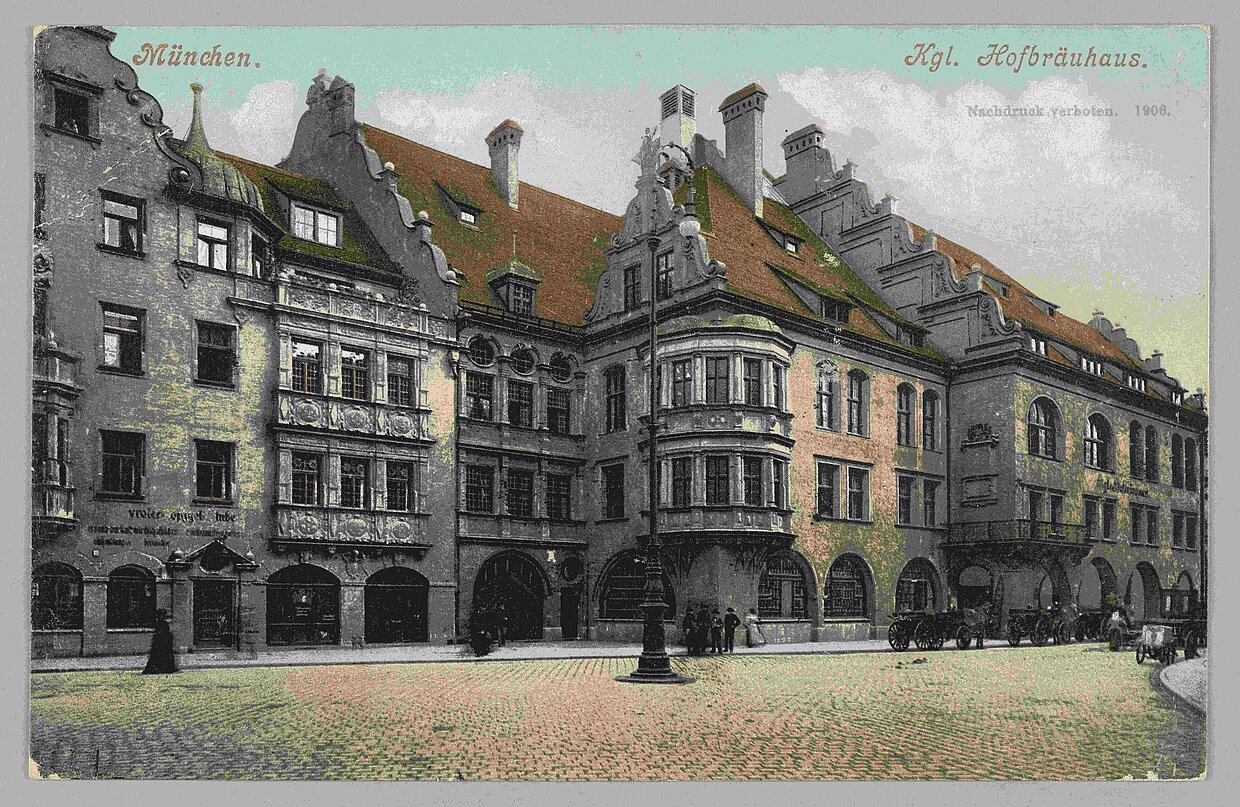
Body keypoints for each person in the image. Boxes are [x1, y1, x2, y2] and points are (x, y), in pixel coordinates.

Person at [142, 609, 178, 675]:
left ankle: (158, 668)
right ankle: (165, 668)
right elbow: (166, 633)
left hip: (159, 642)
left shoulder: (159, 623)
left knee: (157, 655)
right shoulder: (164, 623)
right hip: (163, 642)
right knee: (164, 655)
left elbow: (158, 633)